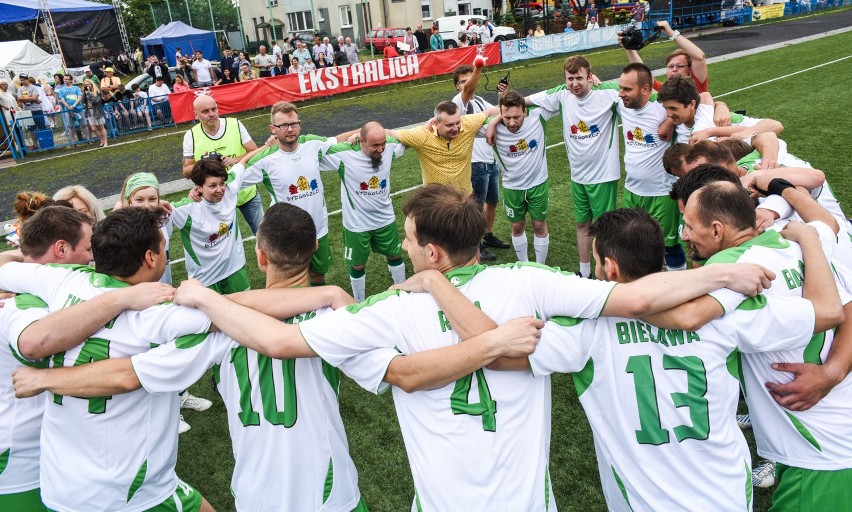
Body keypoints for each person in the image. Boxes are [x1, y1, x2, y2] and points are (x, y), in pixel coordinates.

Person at [165, 183, 774, 511]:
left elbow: (274, 341)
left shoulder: (393, 308)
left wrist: (200, 296)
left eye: (408, 241)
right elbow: (638, 298)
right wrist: (721, 273)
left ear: (433, 253)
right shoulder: (531, 283)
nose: (403, 250)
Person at [428, 208, 842, 511]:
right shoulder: (722, 312)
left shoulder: (585, 330)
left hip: (646, 502)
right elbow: (828, 311)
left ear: (608, 267)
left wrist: (436, 284)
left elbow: (493, 351)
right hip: (725, 493)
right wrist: (808, 238)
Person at [0, 207, 216, 512]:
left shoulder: (60, 282)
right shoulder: (156, 314)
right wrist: (204, 297)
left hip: (61, 484)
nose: (92, 256)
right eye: (89, 248)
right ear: (151, 257)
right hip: (126, 491)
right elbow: (37, 344)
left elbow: (7, 267)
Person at [681, 180, 852, 503]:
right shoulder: (791, 245)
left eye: (689, 226)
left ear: (717, 231)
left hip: (819, 450)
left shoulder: (728, 269)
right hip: (834, 430)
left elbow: (682, 316)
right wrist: (832, 372)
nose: (685, 235)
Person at [243, 101, 359, 286]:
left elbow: (337, 140)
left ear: (299, 124)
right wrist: (262, 148)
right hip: (286, 234)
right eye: (283, 125)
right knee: (289, 281)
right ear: (272, 128)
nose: (290, 129)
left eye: (294, 124)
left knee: (318, 276)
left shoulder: (312, 144)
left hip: (318, 229)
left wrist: (360, 132)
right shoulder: (265, 159)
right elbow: (233, 178)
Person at [526, 56, 621, 277]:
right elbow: (524, 101)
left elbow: (640, 92)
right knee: (582, 225)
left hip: (603, 176)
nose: (574, 83)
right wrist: (492, 119)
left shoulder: (607, 92)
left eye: (579, 77)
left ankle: (608, 273)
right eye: (570, 78)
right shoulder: (562, 94)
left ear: (590, 76)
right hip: (578, 177)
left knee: (605, 230)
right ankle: (584, 272)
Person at [320, 121, 407, 300]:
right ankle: (359, 301)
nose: (381, 149)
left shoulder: (390, 146)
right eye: (375, 145)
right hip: (357, 224)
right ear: (361, 141)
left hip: (385, 219)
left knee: (395, 254)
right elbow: (313, 153)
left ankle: (402, 291)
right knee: (358, 265)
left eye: (383, 143)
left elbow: (409, 139)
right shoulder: (343, 153)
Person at [172, 144, 269, 293]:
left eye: (221, 184)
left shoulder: (230, 188)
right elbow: (157, 209)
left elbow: (243, 162)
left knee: (242, 312)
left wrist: (267, 145)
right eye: (212, 186)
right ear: (198, 187)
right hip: (205, 280)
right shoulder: (187, 209)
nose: (219, 190)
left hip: (235, 270)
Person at [485, 91, 556, 264]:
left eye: (517, 117)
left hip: (537, 183)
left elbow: (564, 94)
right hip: (512, 187)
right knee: (517, 226)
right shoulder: (489, 125)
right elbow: (460, 124)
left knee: (539, 225)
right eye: (506, 117)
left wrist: (592, 80)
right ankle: (524, 265)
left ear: (525, 111)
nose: (512, 122)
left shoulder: (538, 115)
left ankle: (540, 266)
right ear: (500, 113)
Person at [451, 63, 512, 262]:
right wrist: (477, 68)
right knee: (475, 207)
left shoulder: (478, 100)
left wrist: (504, 93)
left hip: (490, 159)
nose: (468, 83)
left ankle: (487, 235)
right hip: (475, 162)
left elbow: (499, 111)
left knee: (492, 202)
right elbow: (469, 89)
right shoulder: (458, 102)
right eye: (463, 81)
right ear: (457, 86)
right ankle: (476, 245)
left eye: (470, 78)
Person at [181, 94, 264, 235]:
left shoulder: (235, 124)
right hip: (216, 199)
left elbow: (254, 152)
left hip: (245, 193)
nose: (211, 114)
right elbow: (186, 171)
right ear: (196, 115)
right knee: (221, 242)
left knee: (264, 235)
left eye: (214, 109)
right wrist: (203, 163)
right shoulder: (191, 135)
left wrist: (233, 160)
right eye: (205, 111)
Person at [388, 101, 498, 198]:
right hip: (435, 204)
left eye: (457, 122)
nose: (456, 128)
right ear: (436, 123)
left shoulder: (468, 123)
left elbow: (495, 111)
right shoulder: (423, 135)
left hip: (464, 200)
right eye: (450, 125)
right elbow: (389, 133)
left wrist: (493, 123)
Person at [625, 20, 709, 93]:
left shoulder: (696, 86)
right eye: (670, 66)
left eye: (680, 66)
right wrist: (629, 47)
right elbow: (642, 73)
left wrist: (671, 33)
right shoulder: (663, 89)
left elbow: (699, 57)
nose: (674, 69)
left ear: (690, 70)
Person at [15, 74, 44, 149]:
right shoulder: (20, 89)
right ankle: (35, 144)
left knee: (41, 126)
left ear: (27, 79)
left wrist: (25, 98)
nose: (22, 81)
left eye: (24, 80)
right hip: (27, 111)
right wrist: (31, 98)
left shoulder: (34, 87)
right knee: (31, 129)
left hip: (36, 110)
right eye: (21, 80)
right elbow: (19, 99)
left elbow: (34, 98)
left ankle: (44, 143)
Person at [55, 74, 85, 145]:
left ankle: (88, 139)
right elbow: (62, 99)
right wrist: (68, 106)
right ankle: (72, 142)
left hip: (78, 109)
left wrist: (74, 105)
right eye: (64, 79)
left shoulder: (76, 88)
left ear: (71, 80)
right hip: (68, 110)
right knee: (71, 127)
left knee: (84, 125)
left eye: (67, 79)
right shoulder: (61, 90)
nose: (65, 80)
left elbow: (80, 97)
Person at [81, 79, 108, 148]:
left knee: (101, 127)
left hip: (97, 111)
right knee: (94, 128)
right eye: (85, 85)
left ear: (91, 84)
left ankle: (105, 141)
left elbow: (95, 102)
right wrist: (85, 93)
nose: (86, 86)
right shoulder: (86, 93)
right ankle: (101, 140)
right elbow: (83, 101)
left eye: (88, 84)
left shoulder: (98, 93)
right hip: (89, 112)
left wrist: (90, 94)